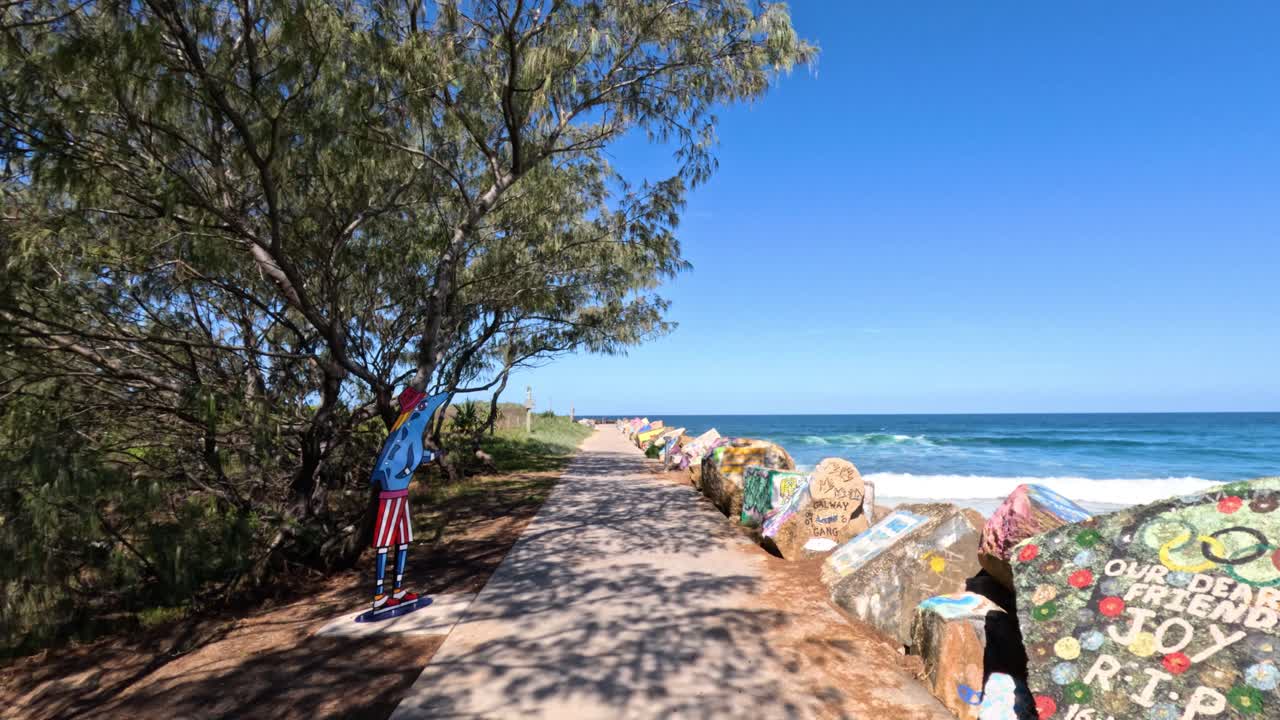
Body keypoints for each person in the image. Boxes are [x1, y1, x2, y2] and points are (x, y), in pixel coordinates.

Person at [368, 386, 448, 613]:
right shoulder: (401, 435)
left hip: (401, 497)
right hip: (391, 497)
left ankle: (398, 589)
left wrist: (435, 455)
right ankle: (379, 595)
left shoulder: (410, 435)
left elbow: (417, 456)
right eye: (423, 406)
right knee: (384, 544)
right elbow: (394, 462)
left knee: (403, 541)